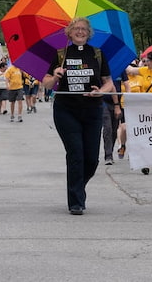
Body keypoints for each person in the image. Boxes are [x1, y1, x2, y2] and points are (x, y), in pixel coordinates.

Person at [41, 17, 115, 216]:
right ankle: (76, 202)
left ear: (88, 33)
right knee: (75, 153)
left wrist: (100, 91)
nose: (80, 32)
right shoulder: (60, 54)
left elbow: (109, 83)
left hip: (92, 110)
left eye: (83, 29)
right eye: (76, 29)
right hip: (66, 110)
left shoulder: (97, 53)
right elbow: (46, 83)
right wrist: (55, 75)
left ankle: (77, 187)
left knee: (91, 159)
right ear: (69, 32)